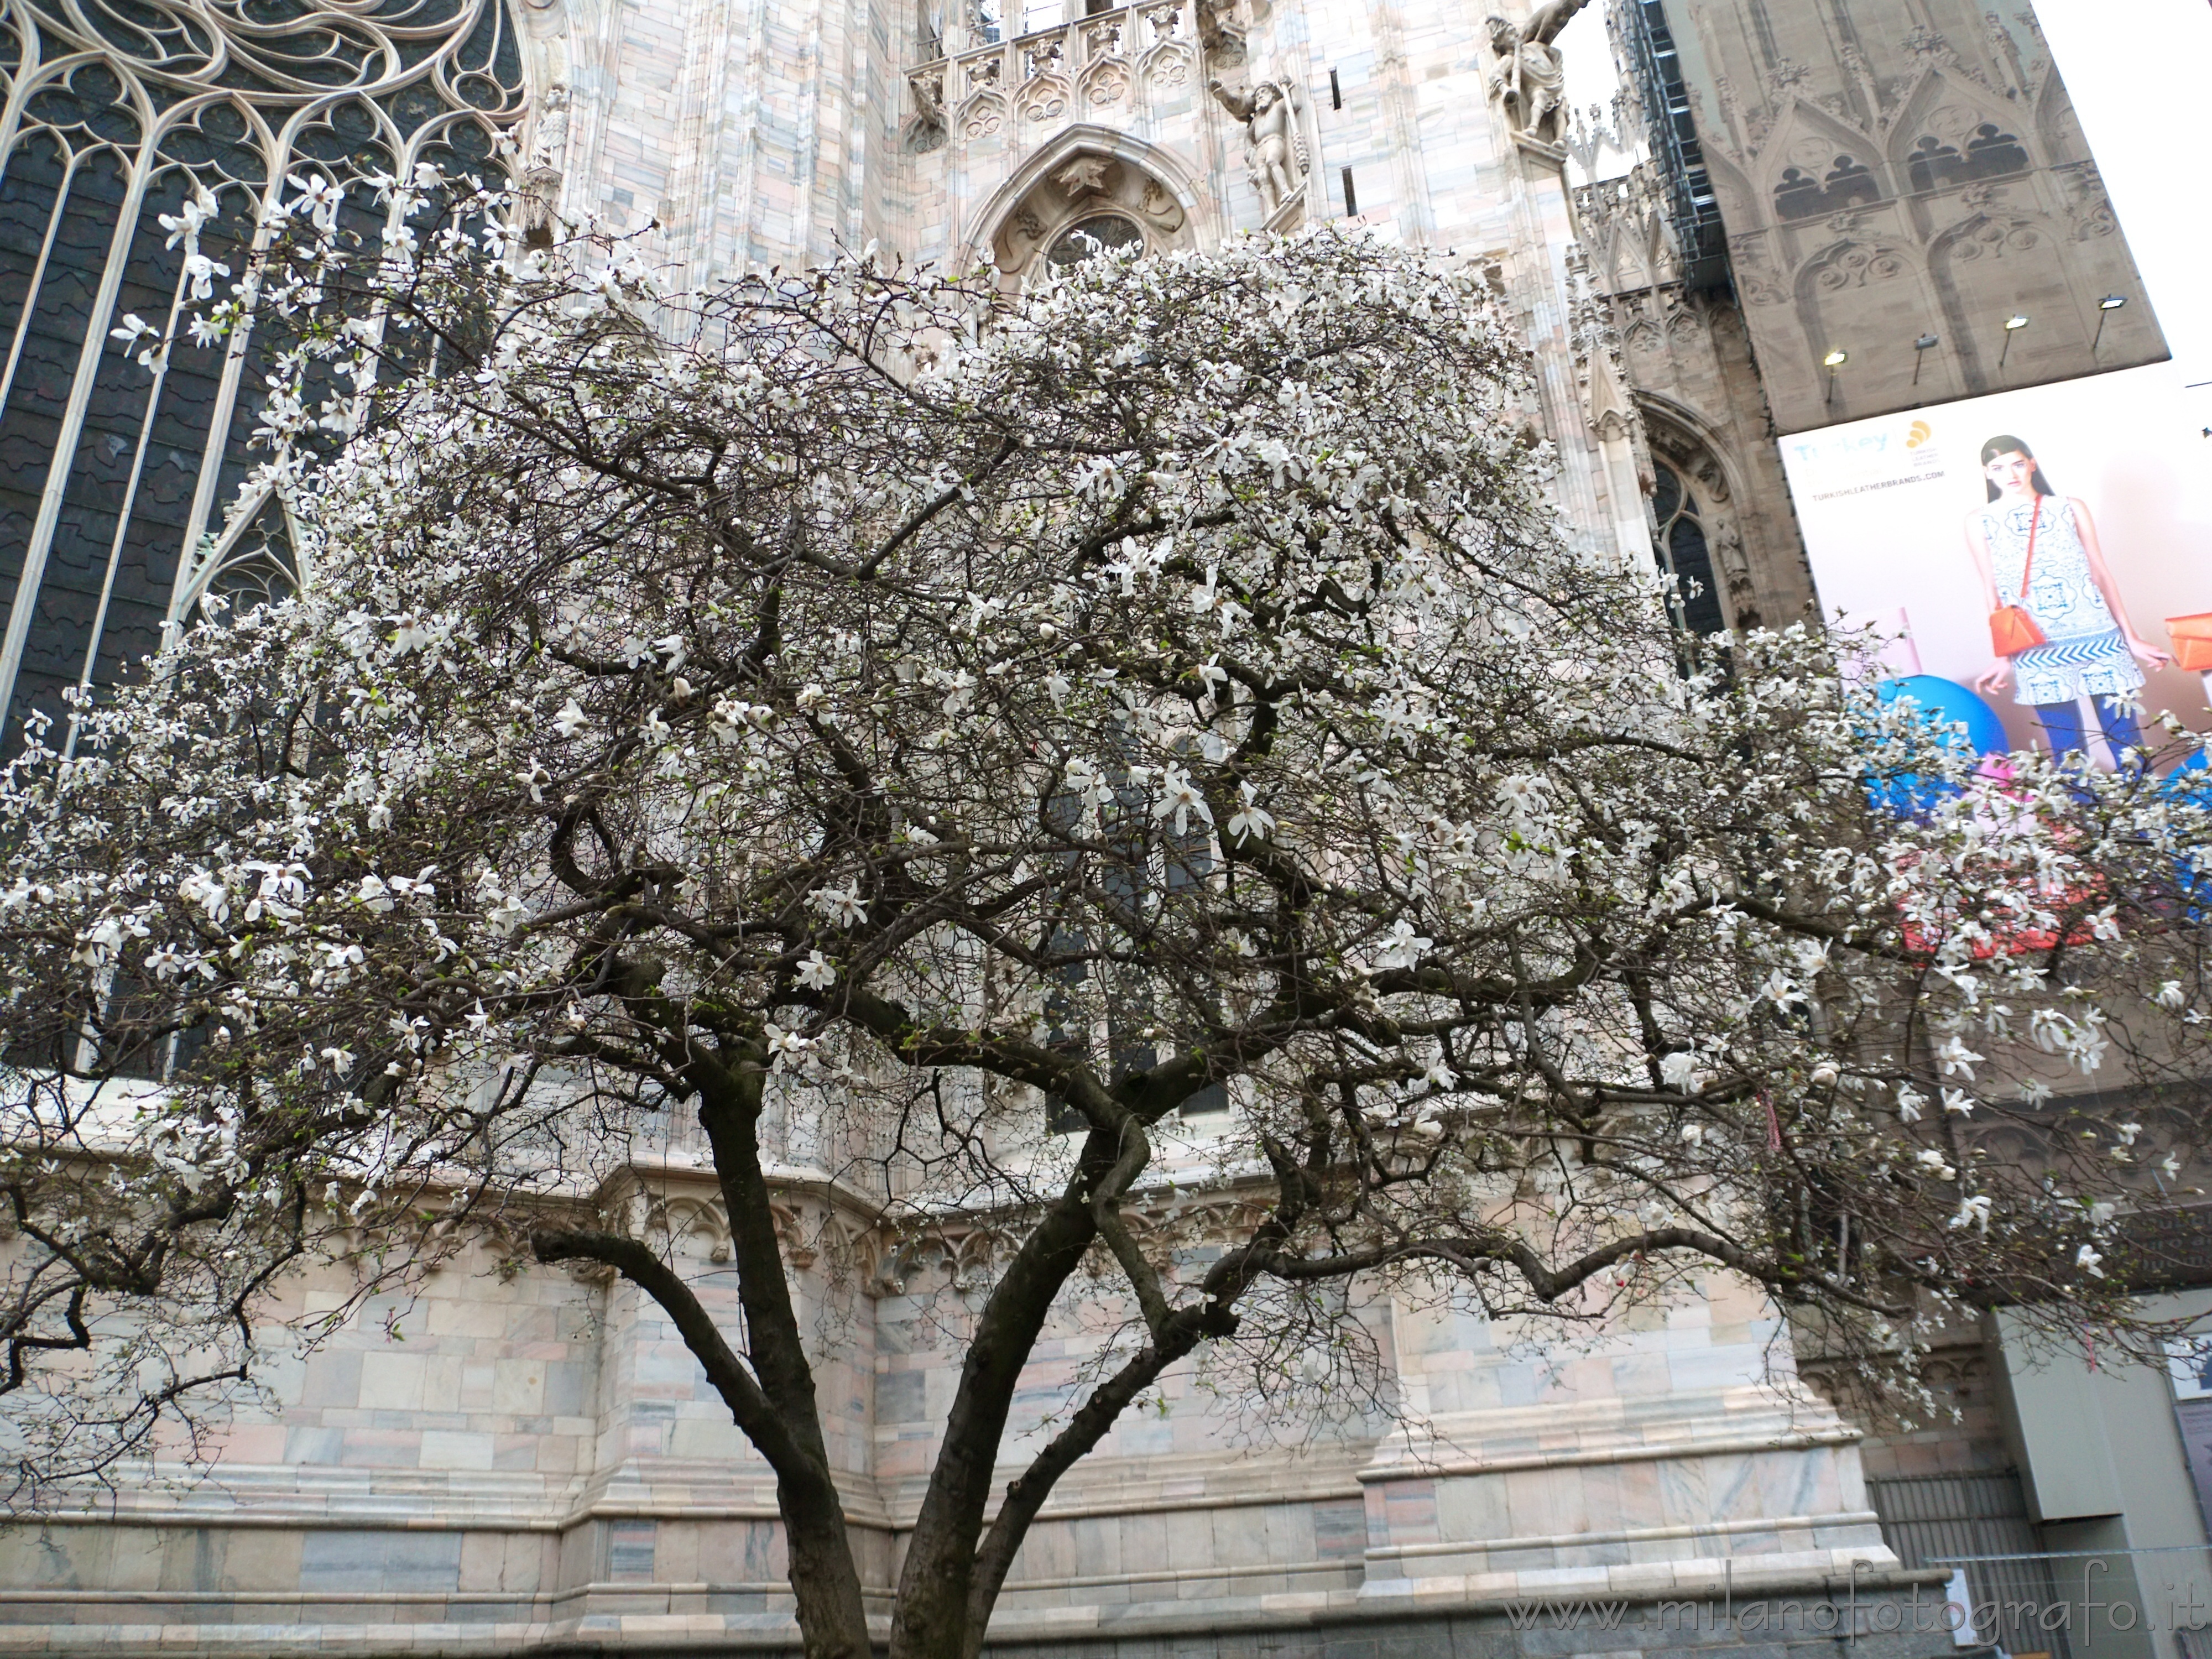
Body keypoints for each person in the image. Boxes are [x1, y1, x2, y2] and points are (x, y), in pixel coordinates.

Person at [1967, 433, 2168, 765]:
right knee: (2068, 754)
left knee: (2127, 743)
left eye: (2018, 463)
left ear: (2032, 464)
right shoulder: (1979, 521)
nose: (2011, 474)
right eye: (1998, 467)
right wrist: (2004, 656)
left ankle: (2141, 815)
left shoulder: (2070, 508)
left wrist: (2130, 638)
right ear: (1988, 473)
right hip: (2036, 649)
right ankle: (2083, 819)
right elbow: (1992, 591)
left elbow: (2101, 574)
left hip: (2099, 637)